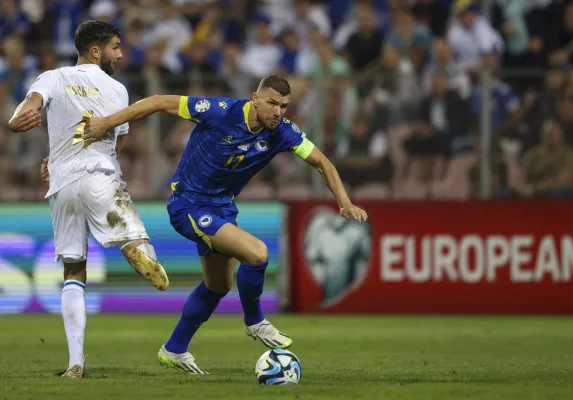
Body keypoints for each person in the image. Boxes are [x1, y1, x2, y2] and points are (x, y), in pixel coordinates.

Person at [81, 74, 368, 374]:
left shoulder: (283, 132)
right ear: (254, 98)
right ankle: (255, 321)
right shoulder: (219, 110)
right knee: (257, 253)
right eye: (271, 103)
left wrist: (344, 202)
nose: (277, 112)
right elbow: (157, 101)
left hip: (223, 209)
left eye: (283, 106)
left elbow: (323, 162)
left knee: (218, 285)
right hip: (188, 205)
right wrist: (106, 123)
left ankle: (175, 348)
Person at [9, 20, 170, 379]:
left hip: (62, 184)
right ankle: (135, 248)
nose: (121, 53)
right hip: (99, 176)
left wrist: (17, 121)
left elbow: (29, 106)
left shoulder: (53, 76)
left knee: (73, 270)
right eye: (116, 46)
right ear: (95, 51)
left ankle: (75, 362)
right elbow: (120, 143)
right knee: (136, 239)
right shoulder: (117, 89)